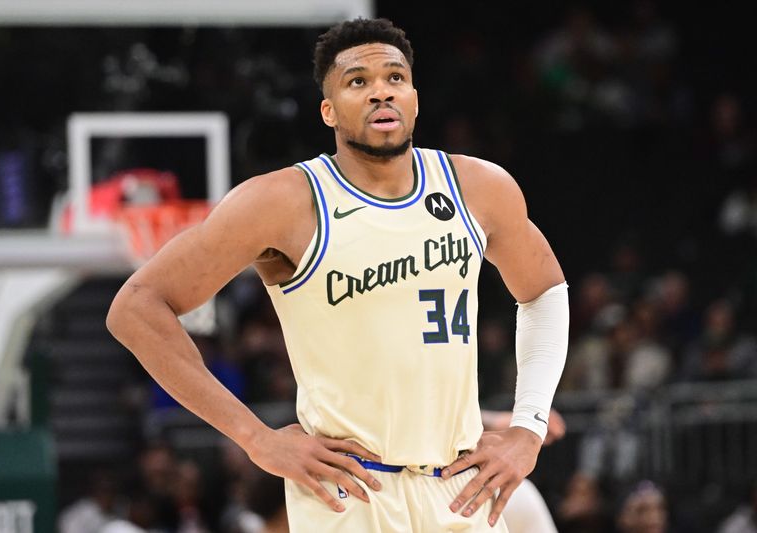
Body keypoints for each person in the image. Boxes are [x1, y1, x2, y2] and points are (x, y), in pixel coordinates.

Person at [107, 17, 569, 532]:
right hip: (351, 493)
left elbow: (546, 291)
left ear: (415, 97)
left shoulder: (479, 187)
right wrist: (255, 437)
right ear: (328, 111)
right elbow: (137, 308)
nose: (380, 93)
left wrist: (528, 428)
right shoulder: (283, 202)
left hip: (461, 487)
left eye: (395, 78)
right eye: (358, 82)